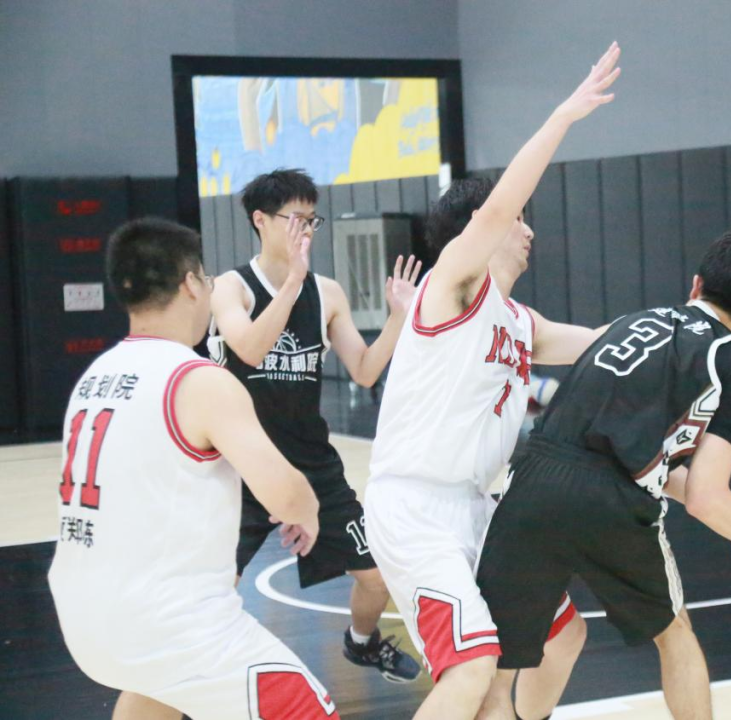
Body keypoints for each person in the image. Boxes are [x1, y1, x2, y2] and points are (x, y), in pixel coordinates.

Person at [364, 43, 623, 720]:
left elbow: (603, 342)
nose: (527, 230)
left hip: (478, 508)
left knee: (561, 638)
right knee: (473, 666)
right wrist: (563, 116)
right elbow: (496, 211)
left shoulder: (518, 320)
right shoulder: (450, 287)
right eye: (519, 220)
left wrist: (691, 324)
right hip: (416, 508)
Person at [476, 227, 731, 720]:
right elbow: (705, 497)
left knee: (499, 668)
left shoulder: (630, 323)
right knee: (675, 635)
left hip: (533, 481)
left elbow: (631, 457)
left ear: (696, 284)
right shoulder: (728, 363)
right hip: (613, 503)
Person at [49, 217, 338, 720]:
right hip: (171, 626)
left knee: (154, 691)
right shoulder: (198, 378)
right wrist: (307, 510)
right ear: (189, 284)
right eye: (206, 279)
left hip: (82, 618)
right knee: (311, 709)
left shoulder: (94, 377)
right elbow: (287, 496)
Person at [208, 168, 422, 682]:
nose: (304, 229)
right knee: (215, 588)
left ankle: (362, 643)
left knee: (377, 578)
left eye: (311, 219)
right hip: (243, 466)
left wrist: (399, 317)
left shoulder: (327, 293)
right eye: (294, 219)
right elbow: (249, 348)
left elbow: (365, 370)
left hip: (311, 464)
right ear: (260, 220)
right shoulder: (230, 288)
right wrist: (291, 284)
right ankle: (202, 679)